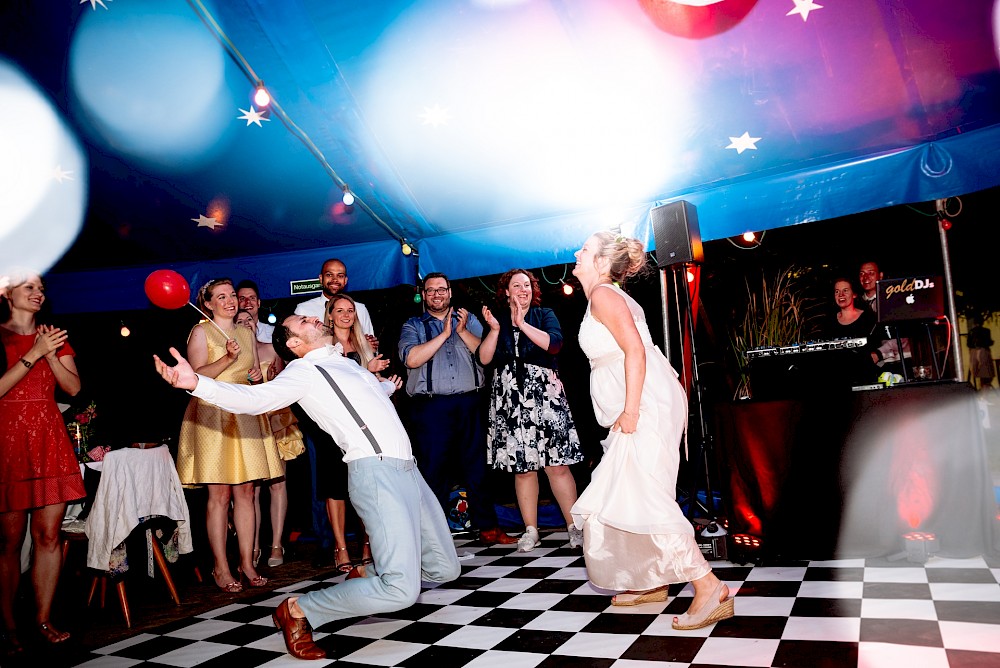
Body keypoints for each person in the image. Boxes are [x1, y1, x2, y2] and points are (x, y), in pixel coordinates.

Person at [153, 314, 461, 660]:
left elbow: (371, 394)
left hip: (407, 470)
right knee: (401, 592)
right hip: (376, 474)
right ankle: (300, 609)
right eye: (303, 320)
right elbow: (255, 401)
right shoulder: (303, 372)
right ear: (296, 343)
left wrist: (388, 385)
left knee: (444, 568)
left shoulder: (345, 364)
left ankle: (365, 574)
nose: (314, 317)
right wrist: (196, 383)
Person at [569, 232, 734, 630]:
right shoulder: (611, 296)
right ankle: (650, 579)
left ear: (603, 262)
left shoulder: (604, 296)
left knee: (644, 494)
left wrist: (629, 410)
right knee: (634, 491)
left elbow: (636, 351)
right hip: (647, 396)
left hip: (642, 401)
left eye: (586, 250)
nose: (577, 253)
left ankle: (708, 586)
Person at [176, 279, 282, 593]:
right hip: (213, 416)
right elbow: (192, 377)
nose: (230, 301)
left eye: (232, 295)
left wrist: (257, 377)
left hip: (245, 413)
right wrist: (227, 359)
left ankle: (247, 563)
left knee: (247, 493)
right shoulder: (200, 332)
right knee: (219, 496)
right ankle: (220, 568)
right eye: (221, 297)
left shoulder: (246, 333)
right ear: (207, 303)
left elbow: (252, 374)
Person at [398, 273, 518, 546]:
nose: (437, 295)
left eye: (442, 289)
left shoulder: (468, 320)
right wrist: (444, 335)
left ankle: (488, 528)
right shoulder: (413, 325)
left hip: (469, 403)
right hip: (430, 407)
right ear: (423, 295)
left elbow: (485, 356)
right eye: (431, 291)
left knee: (478, 469)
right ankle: (433, 538)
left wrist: (461, 331)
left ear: (450, 292)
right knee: (433, 472)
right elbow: (411, 358)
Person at [0, 271, 86, 653]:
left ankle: (43, 619)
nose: (39, 293)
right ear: (6, 293)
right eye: (29, 287)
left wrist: (49, 354)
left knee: (49, 536)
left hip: (49, 439)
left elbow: (73, 389)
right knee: (7, 541)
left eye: (41, 287)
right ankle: (6, 625)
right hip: (8, 443)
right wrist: (32, 354)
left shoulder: (53, 335)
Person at [477, 268, 584, 552]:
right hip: (510, 399)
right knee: (523, 468)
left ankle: (574, 527)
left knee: (556, 465)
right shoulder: (497, 321)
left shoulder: (543, 314)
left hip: (544, 396)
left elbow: (554, 344)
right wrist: (498, 330)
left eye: (527, 284)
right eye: (517, 285)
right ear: (507, 291)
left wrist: (522, 324)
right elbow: (485, 358)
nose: (523, 289)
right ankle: (531, 530)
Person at [320, 294, 392, 571]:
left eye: (350, 310)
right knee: (335, 488)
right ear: (330, 315)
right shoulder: (324, 347)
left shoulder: (363, 344)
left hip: (363, 427)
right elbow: (333, 384)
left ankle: (367, 545)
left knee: (364, 486)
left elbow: (370, 386)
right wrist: (367, 369)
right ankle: (340, 550)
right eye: (339, 310)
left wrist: (382, 379)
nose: (346, 315)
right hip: (333, 426)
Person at [236, 309, 294, 568]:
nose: (246, 324)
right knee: (251, 489)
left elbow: (286, 383)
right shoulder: (232, 357)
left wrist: (272, 380)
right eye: (239, 321)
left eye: (249, 320)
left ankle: (277, 544)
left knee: (277, 484)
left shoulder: (272, 349)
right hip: (246, 425)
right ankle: (253, 546)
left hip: (273, 420)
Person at [294, 258, 376, 345]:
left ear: (345, 280)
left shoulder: (360, 309)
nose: (335, 279)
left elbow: (370, 346)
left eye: (340, 276)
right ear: (321, 279)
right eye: (329, 275)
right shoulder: (303, 309)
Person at [236, 279, 275, 343]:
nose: (248, 302)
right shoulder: (230, 333)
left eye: (252, 298)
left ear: (258, 303)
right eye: (242, 299)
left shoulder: (272, 332)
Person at [967, 317, 995, 390]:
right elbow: (988, 342)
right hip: (984, 351)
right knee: (986, 373)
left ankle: (982, 388)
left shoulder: (971, 331)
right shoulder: (986, 331)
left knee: (978, 372)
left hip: (974, 352)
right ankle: (985, 389)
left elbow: (969, 344)